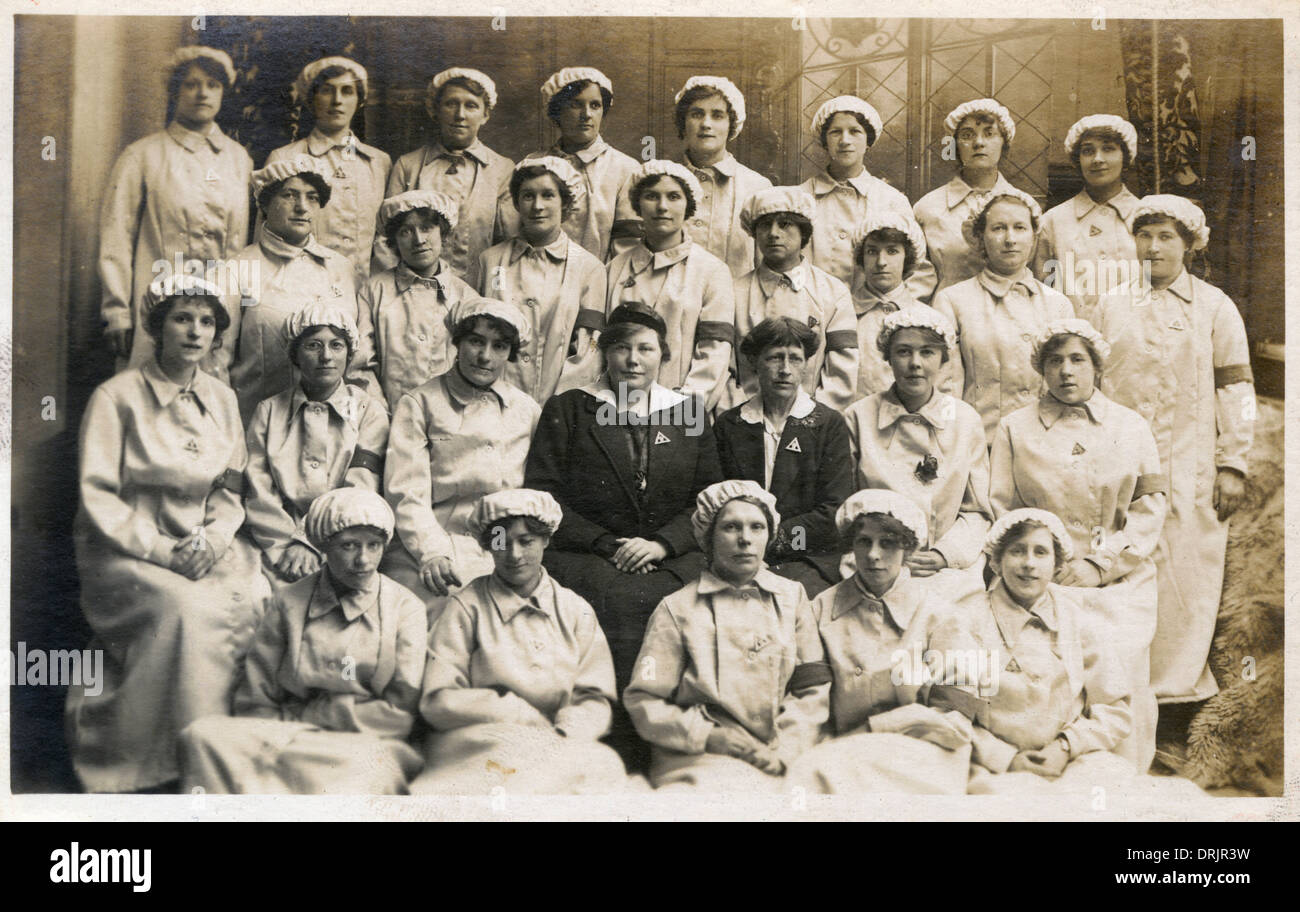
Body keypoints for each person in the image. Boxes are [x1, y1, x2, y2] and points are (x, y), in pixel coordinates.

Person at [67, 274, 270, 792]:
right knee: (186, 611)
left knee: (255, 595)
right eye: (182, 318)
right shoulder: (116, 397)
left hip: (202, 541)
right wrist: (162, 551)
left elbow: (231, 485)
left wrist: (216, 538)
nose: (195, 331)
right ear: (158, 327)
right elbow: (98, 498)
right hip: (127, 547)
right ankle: (161, 759)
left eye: (206, 321)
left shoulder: (223, 398)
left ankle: (232, 752)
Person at [523, 302, 722, 763]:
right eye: (621, 348)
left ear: (663, 355)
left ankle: (674, 743)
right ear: (605, 355)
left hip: (672, 553)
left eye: (645, 349)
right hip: (590, 552)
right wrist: (606, 543)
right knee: (621, 602)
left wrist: (661, 543)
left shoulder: (688, 412)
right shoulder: (571, 408)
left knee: (678, 604)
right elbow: (544, 495)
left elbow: (708, 497)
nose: (633, 360)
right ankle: (610, 745)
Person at [1091, 195, 1253, 709]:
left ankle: (1176, 695)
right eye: (1145, 235)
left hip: (1191, 465)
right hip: (1123, 465)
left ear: (1189, 244)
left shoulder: (1214, 307)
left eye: (1166, 237)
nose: (1154, 247)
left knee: (1185, 573)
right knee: (1122, 565)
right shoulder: (1110, 304)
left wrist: (1234, 461)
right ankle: (1121, 692)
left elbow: (1237, 392)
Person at [990, 319, 1166, 772]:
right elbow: (1002, 510)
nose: (1066, 371)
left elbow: (1151, 508)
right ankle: (1044, 768)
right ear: (1041, 369)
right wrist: (1041, 567)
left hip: (1119, 580)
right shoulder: (1014, 428)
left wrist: (1101, 565)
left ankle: (1123, 778)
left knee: (1120, 665)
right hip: (1040, 578)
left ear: (1097, 367)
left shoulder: (1131, 426)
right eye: (1055, 361)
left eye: (1077, 360)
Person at [180, 488, 426, 794]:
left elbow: (400, 710)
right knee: (202, 735)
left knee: (359, 773)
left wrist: (313, 718)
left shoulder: (406, 608)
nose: (363, 560)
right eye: (349, 546)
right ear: (324, 546)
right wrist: (279, 736)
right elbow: (257, 697)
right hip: (288, 734)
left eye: (373, 546)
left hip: (365, 740)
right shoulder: (288, 602)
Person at [409, 489, 628, 795]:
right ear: (487, 545)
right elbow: (439, 699)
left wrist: (566, 732)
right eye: (501, 542)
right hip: (481, 739)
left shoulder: (574, 609)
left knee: (602, 771)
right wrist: (510, 712)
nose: (514, 554)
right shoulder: (466, 608)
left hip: (559, 740)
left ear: (546, 540)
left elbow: (594, 696)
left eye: (526, 541)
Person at [624, 480, 831, 790]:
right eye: (731, 528)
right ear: (709, 537)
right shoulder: (677, 608)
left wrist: (785, 751)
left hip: (782, 748)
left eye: (756, 527)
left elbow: (812, 689)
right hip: (701, 756)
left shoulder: (793, 598)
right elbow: (644, 700)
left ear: (769, 535)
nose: (745, 539)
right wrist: (706, 736)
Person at [916, 510, 1140, 794]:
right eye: (1017, 551)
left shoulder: (1076, 619)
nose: (1029, 564)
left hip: (1068, 759)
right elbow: (948, 714)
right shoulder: (965, 620)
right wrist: (1006, 758)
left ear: (1057, 564)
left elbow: (1114, 709)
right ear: (997, 561)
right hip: (990, 764)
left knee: (1109, 789)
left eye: (1041, 553)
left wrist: (1066, 746)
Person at [786, 490, 974, 794]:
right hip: (840, 746)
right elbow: (809, 701)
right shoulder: (821, 608)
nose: (874, 555)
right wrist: (791, 752)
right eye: (864, 542)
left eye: (887, 543)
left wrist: (879, 729)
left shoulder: (943, 614)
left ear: (907, 549)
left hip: (921, 751)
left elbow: (957, 720)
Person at [383, 296, 541, 617]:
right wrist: (433, 552)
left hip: (500, 546)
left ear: (510, 353)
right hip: (432, 543)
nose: (485, 357)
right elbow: (407, 493)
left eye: (499, 346)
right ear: (457, 342)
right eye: (475, 342)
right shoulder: (420, 403)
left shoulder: (527, 410)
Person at [99, 46, 253, 374]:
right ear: (174, 91)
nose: (202, 93)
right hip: (155, 305)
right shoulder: (142, 156)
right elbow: (116, 238)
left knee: (210, 398)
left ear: (223, 92)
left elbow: (242, 247)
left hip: (218, 312)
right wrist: (117, 312)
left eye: (213, 85)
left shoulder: (239, 159)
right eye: (191, 84)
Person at [242, 305, 390, 587]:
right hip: (274, 546)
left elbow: (359, 488)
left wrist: (309, 541)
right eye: (313, 346)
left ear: (349, 352)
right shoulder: (269, 411)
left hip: (344, 542)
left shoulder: (368, 411)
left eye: (336, 345)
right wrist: (286, 546)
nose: (326, 357)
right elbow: (259, 489)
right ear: (295, 354)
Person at [843, 308, 991, 576]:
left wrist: (945, 554)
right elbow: (848, 507)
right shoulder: (859, 417)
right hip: (874, 563)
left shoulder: (965, 420)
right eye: (903, 352)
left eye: (927, 352)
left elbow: (978, 511)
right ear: (887, 357)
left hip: (945, 566)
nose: (915, 363)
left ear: (943, 359)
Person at [714, 318, 854, 597]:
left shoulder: (828, 424)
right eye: (775, 358)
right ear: (754, 362)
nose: (785, 370)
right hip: (739, 553)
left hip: (807, 557)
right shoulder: (730, 424)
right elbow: (717, 499)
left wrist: (773, 543)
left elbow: (833, 511)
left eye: (795, 359)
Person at [932, 187, 1075, 445]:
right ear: (980, 237)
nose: (1010, 239)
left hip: (1046, 444)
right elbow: (945, 388)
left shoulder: (1058, 305)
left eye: (1020, 228)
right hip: (980, 445)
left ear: (1033, 235)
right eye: (998, 228)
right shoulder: (952, 301)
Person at [225, 156, 360, 424]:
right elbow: (216, 363)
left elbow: (358, 361)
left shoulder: (342, 269)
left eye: (311, 198)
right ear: (265, 203)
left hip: (333, 428)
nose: (301, 207)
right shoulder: (237, 268)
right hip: (256, 423)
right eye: (289, 195)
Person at [605, 160, 736, 406]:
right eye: (652, 196)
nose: (662, 206)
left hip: (681, 411)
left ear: (689, 205)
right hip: (618, 406)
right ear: (637, 205)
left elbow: (714, 352)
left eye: (674, 197)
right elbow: (601, 347)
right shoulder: (616, 268)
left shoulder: (712, 271)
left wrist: (680, 410)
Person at [478, 156, 607, 404]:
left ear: (565, 202)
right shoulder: (491, 262)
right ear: (516, 202)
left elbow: (586, 354)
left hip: (556, 406)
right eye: (528, 196)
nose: (537, 206)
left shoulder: (589, 268)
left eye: (548, 195)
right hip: (492, 401)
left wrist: (557, 410)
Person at [724, 187, 858, 412]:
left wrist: (812, 419)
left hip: (812, 423)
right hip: (747, 421)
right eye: (765, 225)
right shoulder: (734, 291)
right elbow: (725, 368)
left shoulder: (833, 292)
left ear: (803, 232)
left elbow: (842, 372)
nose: (774, 233)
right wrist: (743, 417)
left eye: (785, 224)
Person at [382, 68, 513, 286]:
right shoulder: (408, 165)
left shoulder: (502, 169)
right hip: (415, 289)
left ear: (485, 114)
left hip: (480, 289)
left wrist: (494, 298)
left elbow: (508, 245)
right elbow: (386, 240)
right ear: (435, 110)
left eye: (471, 105)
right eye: (451, 104)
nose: (460, 115)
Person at [797, 95, 936, 302]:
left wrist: (884, 309)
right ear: (824, 141)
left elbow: (918, 271)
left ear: (868, 140)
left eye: (855, 131)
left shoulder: (892, 200)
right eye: (836, 132)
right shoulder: (799, 198)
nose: (845, 141)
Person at [265, 56, 390, 280]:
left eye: (347, 91)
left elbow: (387, 242)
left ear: (359, 100)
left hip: (364, 294)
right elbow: (267, 241)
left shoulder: (379, 162)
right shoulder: (284, 158)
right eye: (327, 91)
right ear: (311, 99)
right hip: (302, 290)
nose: (337, 101)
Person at [499, 67, 641, 260]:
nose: (586, 114)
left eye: (595, 105)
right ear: (557, 110)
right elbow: (513, 236)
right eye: (576, 104)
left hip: (599, 283)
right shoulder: (531, 164)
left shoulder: (625, 169)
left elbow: (627, 250)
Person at [356, 190, 476, 411]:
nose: (419, 240)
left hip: (449, 421)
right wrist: (380, 415)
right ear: (394, 241)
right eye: (406, 232)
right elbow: (361, 366)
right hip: (388, 417)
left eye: (426, 228)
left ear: (443, 233)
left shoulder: (466, 297)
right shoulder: (374, 291)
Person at [1033, 115, 1140, 322]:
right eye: (1088, 151)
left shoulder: (1145, 217)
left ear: (1125, 157)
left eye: (1108, 149)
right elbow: (1043, 291)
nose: (1098, 159)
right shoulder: (1053, 222)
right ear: (1078, 159)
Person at [914, 98, 1026, 292]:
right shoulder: (928, 208)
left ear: (1004, 142)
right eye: (967, 136)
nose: (979, 143)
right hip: (945, 315)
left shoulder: (1024, 207)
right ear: (956, 146)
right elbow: (917, 282)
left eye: (989, 134)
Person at [672, 75, 772, 278]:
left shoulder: (758, 187)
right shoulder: (664, 180)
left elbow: (765, 268)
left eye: (717, 115)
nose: (706, 124)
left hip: (736, 306)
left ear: (731, 124)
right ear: (684, 122)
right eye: (697, 114)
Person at [850, 211, 951, 402]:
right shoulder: (843, 315)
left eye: (892, 251)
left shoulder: (930, 320)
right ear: (861, 258)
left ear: (908, 258)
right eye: (872, 251)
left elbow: (943, 390)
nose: (881, 262)